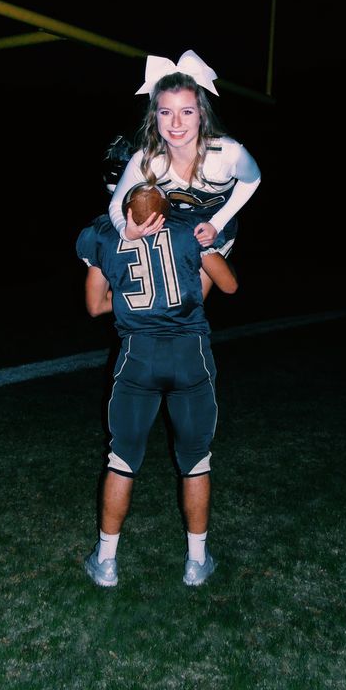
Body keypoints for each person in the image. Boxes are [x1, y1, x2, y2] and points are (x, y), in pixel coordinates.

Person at [76, 185, 238, 588]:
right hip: (189, 354)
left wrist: (132, 296)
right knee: (196, 460)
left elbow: (95, 306)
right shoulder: (188, 229)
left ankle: (107, 561)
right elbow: (229, 286)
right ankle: (196, 562)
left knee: (122, 460)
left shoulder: (103, 235)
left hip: (138, 357)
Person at [107, 50, 261, 295]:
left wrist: (216, 223)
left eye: (187, 111)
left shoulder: (227, 154)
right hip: (175, 225)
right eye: (166, 112)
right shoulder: (147, 159)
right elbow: (116, 205)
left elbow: (253, 180)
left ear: (201, 114)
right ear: (154, 116)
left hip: (215, 226)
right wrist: (126, 230)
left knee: (193, 300)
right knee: (165, 300)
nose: (176, 123)